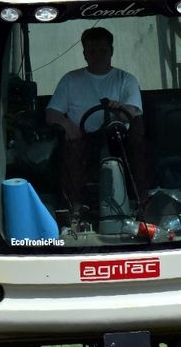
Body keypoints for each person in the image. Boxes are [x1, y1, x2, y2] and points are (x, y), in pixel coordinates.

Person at [45, 27, 150, 211]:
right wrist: (66, 124)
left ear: (111, 51)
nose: (98, 56)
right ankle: (74, 208)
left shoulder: (126, 80)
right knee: (68, 148)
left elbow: (133, 112)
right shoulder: (70, 80)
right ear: (85, 54)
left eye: (103, 51)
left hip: (120, 143)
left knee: (138, 138)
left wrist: (120, 109)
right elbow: (51, 113)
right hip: (82, 141)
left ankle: (141, 203)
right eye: (92, 51)